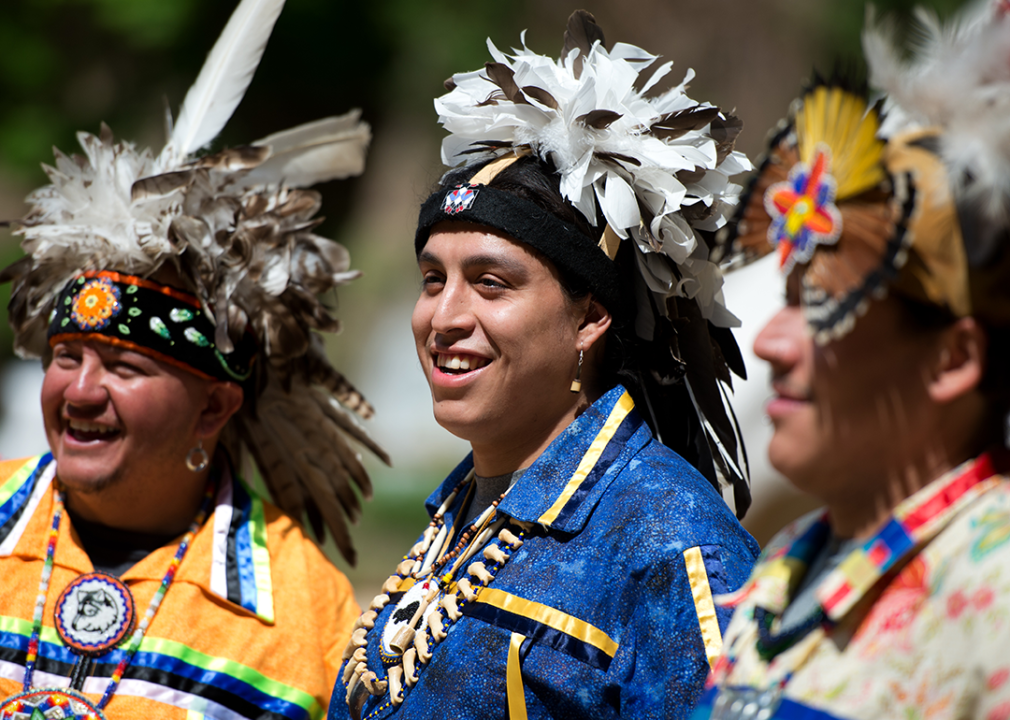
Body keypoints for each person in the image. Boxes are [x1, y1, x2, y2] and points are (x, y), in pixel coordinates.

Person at [330, 11, 759, 720]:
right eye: (434, 279)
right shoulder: (466, 507)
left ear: (590, 318)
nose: (445, 317)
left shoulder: (670, 543)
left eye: (491, 283)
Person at [0, 0, 386, 718]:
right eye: (66, 355)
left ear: (214, 406)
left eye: (123, 367)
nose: (80, 391)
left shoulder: (306, 611)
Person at [692, 4, 1010, 719]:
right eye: (787, 298)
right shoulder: (789, 561)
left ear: (952, 358)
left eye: (822, 306)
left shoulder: (997, 596)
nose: (770, 342)